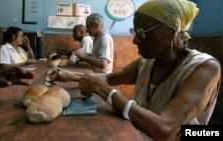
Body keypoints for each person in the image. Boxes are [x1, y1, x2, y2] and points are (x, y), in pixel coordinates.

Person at [44, 0, 221, 140]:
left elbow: (164, 129)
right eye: (134, 32)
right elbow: (110, 78)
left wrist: (104, 91)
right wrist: (68, 75)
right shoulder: (147, 62)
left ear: (170, 33)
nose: (135, 41)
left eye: (143, 33)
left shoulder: (204, 68)